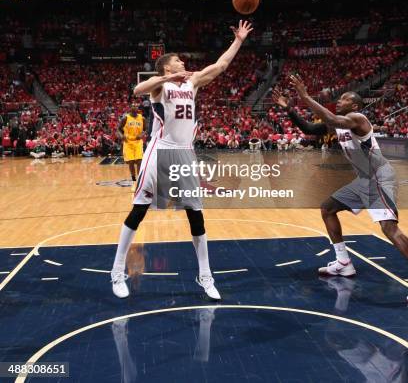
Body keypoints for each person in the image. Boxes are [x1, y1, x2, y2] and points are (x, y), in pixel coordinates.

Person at [110, 20, 253, 299]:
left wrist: (239, 40)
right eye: (177, 59)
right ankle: (117, 272)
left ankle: (205, 276)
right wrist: (165, 79)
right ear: (166, 66)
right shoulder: (159, 86)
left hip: (185, 153)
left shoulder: (193, 81)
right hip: (159, 150)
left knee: (195, 215)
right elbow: (138, 90)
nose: (182, 61)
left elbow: (221, 66)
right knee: (138, 211)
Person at [272, 77, 408, 278]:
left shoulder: (358, 119)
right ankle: (344, 262)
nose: (339, 101)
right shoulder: (337, 125)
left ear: (354, 105)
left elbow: (332, 119)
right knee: (328, 209)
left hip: (378, 178)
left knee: (389, 228)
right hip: (364, 181)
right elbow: (309, 129)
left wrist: (305, 96)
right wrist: (289, 108)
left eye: (344, 99)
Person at [116, 102, 145, 183]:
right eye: (133, 106)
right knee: (131, 162)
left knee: (139, 161)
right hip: (128, 142)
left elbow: (145, 130)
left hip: (138, 142)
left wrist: (142, 134)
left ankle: (139, 178)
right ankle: (133, 178)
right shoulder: (125, 118)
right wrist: (121, 136)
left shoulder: (142, 118)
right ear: (130, 108)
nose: (135, 107)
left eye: (136, 105)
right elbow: (118, 129)